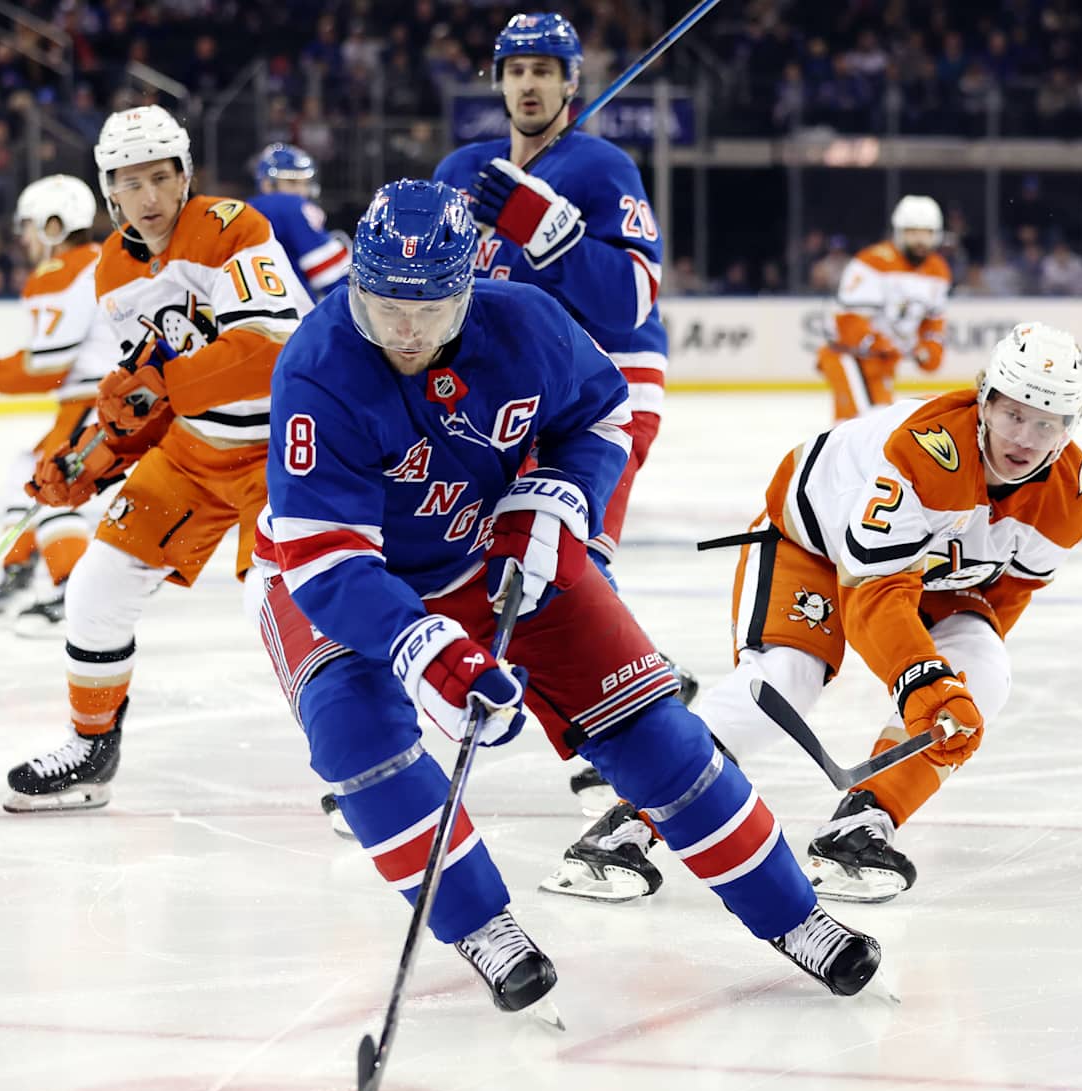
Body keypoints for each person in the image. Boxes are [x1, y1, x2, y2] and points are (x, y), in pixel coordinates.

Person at [253, 179, 882, 1017]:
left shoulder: (526, 324)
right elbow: (327, 561)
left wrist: (562, 493)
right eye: (385, 306)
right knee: (358, 741)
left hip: (493, 552)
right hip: (346, 583)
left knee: (654, 730)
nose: (404, 332)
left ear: (467, 289)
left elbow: (603, 416)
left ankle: (794, 916)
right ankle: (483, 926)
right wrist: (426, 649)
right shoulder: (318, 366)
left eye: (428, 309)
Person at [554, 323, 1082, 904]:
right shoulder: (924, 451)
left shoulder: (1070, 500)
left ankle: (862, 823)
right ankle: (625, 822)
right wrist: (919, 677)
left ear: (1071, 428)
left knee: (983, 672)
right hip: (809, 547)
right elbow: (873, 594)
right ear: (984, 398)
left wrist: (943, 681)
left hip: (927, 573)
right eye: (1014, 414)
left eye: (1047, 422)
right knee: (782, 684)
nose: (1025, 438)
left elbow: (1004, 595)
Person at [2, 105, 311, 813]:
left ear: (186, 177)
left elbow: (267, 355)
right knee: (95, 588)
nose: (148, 197)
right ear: (109, 193)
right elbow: (154, 389)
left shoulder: (234, 227)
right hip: (195, 453)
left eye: (161, 178)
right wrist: (90, 460)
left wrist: (158, 387)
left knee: (291, 608)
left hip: (283, 452)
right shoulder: (112, 267)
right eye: (130, 182)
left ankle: (368, 766)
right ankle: (90, 751)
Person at [430, 12, 695, 824]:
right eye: (517, 70)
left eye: (548, 69)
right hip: (496, 398)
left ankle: (629, 735)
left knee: (563, 561)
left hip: (600, 398)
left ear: (573, 83)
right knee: (455, 558)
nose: (531, 83)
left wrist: (547, 231)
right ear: (500, 81)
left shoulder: (602, 165)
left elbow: (635, 299)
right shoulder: (464, 168)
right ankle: (626, 700)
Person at [0, 175, 120, 636]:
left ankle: (71, 590)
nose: (24, 237)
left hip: (105, 399)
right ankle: (17, 574)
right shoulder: (94, 263)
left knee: (52, 476)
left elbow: (47, 366)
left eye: (31, 225)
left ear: (56, 225)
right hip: (103, 398)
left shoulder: (70, 268)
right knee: (27, 469)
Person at [816, 195, 952, 422]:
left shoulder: (938, 270)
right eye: (912, 232)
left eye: (926, 233)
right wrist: (884, 345)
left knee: (879, 430)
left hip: (883, 364)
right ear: (899, 233)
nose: (920, 240)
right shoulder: (873, 262)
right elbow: (849, 321)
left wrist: (930, 348)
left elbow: (932, 320)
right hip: (849, 357)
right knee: (859, 430)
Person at [247, 143, 351, 300]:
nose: (302, 191)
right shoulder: (290, 206)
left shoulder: (246, 209)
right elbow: (336, 280)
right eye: (292, 182)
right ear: (267, 184)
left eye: (305, 183)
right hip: (287, 312)